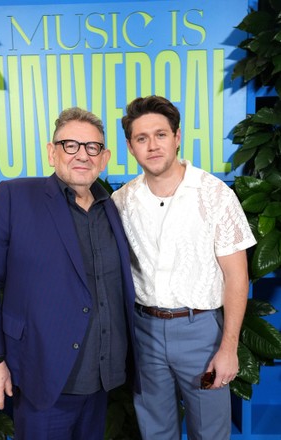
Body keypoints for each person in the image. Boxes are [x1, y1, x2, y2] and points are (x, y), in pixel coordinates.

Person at [0, 107, 139, 440]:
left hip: (101, 380)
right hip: (42, 378)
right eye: (70, 145)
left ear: (103, 159)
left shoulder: (113, 208)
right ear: (51, 152)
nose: (82, 155)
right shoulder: (14, 196)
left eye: (92, 148)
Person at [112, 95, 257, 440]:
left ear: (177, 138)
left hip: (202, 334)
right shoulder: (122, 202)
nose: (152, 145)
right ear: (131, 147)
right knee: (155, 431)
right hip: (144, 332)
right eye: (141, 138)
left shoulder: (215, 194)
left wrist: (228, 348)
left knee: (210, 431)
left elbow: (237, 276)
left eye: (161, 135)